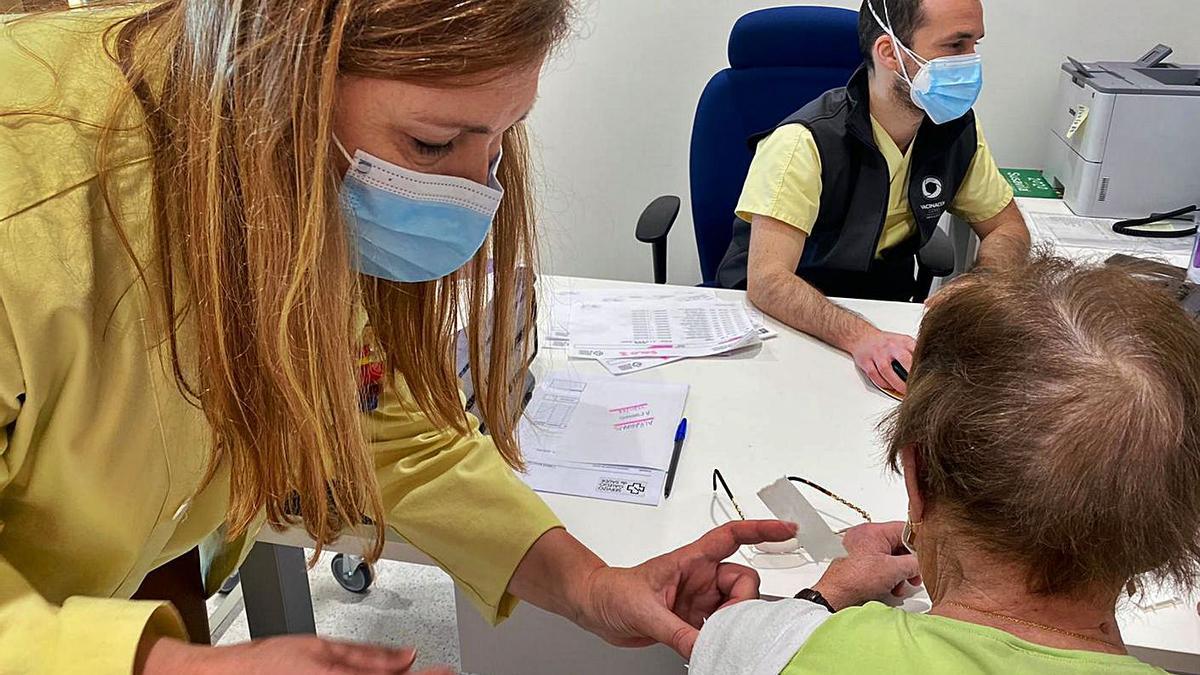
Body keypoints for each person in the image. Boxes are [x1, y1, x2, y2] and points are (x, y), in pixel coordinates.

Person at [0, 3, 796, 673]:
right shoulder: (28, 209)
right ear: (276, 71)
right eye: (430, 145)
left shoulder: (275, 172)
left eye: (500, 137)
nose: (474, 196)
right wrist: (165, 662)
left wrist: (587, 584)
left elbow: (376, 414)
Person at [690, 254, 1200, 674]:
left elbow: (761, 643)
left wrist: (826, 594)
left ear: (918, 478)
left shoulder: (757, 645)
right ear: (1174, 523)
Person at [716, 0, 1031, 395]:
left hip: (885, 313)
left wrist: (983, 281)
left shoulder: (955, 130)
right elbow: (768, 281)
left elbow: (1007, 226)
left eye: (975, 45)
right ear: (889, 53)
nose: (971, 62)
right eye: (955, 46)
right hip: (779, 325)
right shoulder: (805, 141)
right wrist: (861, 336)